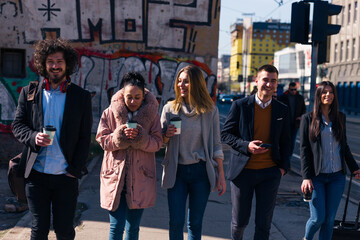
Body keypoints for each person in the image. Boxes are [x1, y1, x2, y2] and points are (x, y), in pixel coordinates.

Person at [12, 38, 92, 239]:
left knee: (64, 231)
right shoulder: (30, 93)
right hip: (36, 175)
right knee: (38, 230)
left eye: (59, 61)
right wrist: (33, 137)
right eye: (50, 62)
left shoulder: (80, 97)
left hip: (66, 177)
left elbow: (84, 137)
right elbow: (18, 125)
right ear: (43, 64)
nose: (55, 66)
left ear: (67, 64)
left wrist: (74, 171)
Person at [221, 64, 291, 240]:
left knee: (264, 224)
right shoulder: (240, 106)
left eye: (273, 81)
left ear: (277, 84)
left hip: (270, 173)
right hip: (243, 172)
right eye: (265, 80)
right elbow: (226, 135)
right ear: (257, 81)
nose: (269, 84)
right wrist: (246, 146)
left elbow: (286, 141)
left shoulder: (282, 109)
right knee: (239, 222)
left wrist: (282, 168)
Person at [161, 65, 226, 240]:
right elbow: (159, 142)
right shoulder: (169, 109)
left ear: (196, 84)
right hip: (177, 172)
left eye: (186, 81)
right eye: (179, 81)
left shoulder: (209, 111)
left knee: (195, 224)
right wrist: (166, 135)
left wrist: (221, 174)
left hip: (201, 172)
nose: (181, 85)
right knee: (175, 221)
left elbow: (216, 144)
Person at [96, 72, 162, 240]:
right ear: (122, 94)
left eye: (137, 97)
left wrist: (142, 138)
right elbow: (102, 140)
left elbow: (157, 143)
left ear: (143, 95)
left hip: (140, 179)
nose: (133, 101)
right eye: (129, 97)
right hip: (115, 178)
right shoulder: (110, 112)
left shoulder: (152, 114)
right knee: (116, 226)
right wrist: (119, 136)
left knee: (133, 229)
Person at [300, 81, 360, 240]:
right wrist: (306, 177)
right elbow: (305, 149)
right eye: (324, 92)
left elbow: (344, 146)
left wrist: (355, 168)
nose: (328, 95)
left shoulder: (340, 117)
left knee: (329, 220)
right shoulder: (308, 118)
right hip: (316, 176)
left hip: (337, 176)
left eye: (331, 92)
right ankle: (307, 238)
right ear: (319, 95)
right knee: (317, 218)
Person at [279, 82, 306, 156]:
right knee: (284, 141)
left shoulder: (300, 98)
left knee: (292, 142)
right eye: (292, 90)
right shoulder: (283, 97)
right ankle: (284, 157)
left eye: (295, 89)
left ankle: (288, 158)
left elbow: (304, 109)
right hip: (285, 124)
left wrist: (301, 116)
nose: (293, 91)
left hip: (295, 124)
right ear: (289, 89)